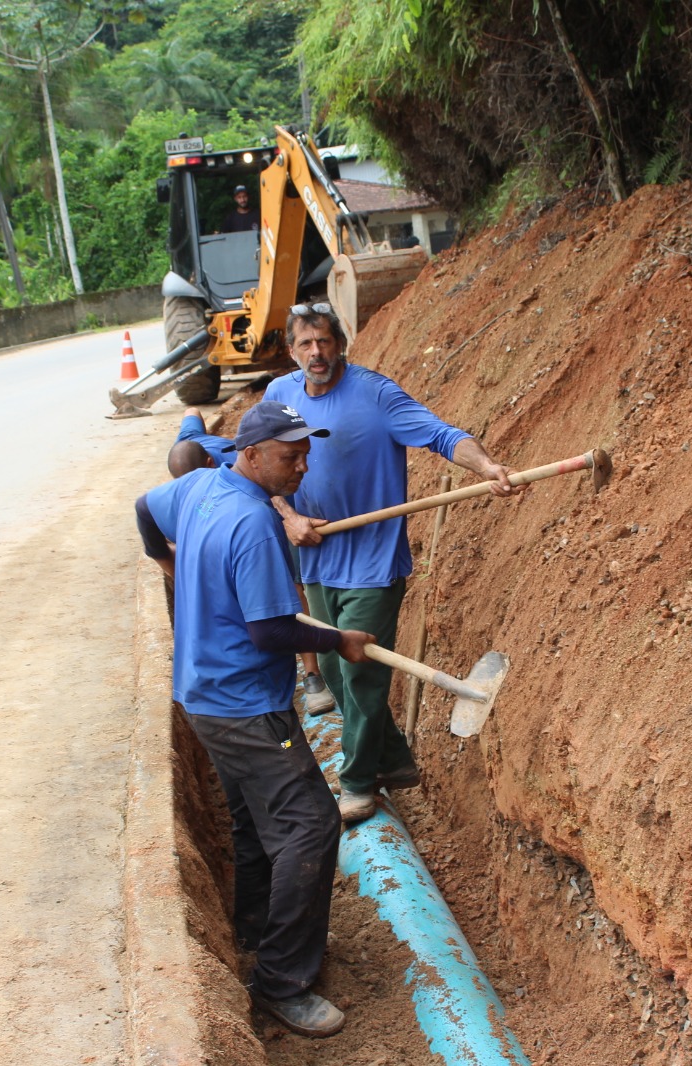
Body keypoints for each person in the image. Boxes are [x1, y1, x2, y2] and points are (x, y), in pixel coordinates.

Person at [135, 401, 375, 1039]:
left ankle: (249, 926)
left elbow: (142, 507)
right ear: (249, 452)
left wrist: (170, 567)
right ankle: (282, 982)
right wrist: (338, 641)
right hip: (247, 705)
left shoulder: (198, 487)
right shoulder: (252, 524)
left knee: (248, 814)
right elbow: (271, 629)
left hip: (203, 695)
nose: (301, 466)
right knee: (311, 824)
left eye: (305, 454)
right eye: (289, 455)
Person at [264, 303, 522, 825]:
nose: (317, 353)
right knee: (335, 673)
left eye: (325, 342)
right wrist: (288, 515)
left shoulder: (375, 395)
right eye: (306, 344)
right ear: (292, 351)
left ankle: (358, 782)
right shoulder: (279, 396)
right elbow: (254, 464)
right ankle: (395, 760)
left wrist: (488, 465)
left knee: (361, 674)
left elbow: (442, 434)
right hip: (315, 558)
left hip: (374, 562)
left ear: (341, 343)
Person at [166, 406, 338, 715]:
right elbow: (191, 411)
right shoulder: (192, 458)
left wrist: (290, 517)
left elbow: (269, 492)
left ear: (209, 462)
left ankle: (312, 674)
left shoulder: (246, 469)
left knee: (289, 587)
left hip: (281, 502)